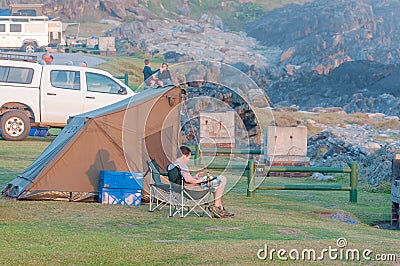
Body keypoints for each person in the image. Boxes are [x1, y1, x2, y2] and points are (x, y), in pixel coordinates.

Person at [168, 145, 234, 218]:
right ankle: (217, 206)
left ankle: (220, 209)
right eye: (188, 158)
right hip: (191, 190)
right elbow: (188, 180)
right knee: (222, 179)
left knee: (215, 183)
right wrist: (200, 180)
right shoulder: (182, 165)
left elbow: (183, 179)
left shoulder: (171, 165)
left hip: (181, 189)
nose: (188, 160)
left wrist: (195, 177)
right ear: (184, 156)